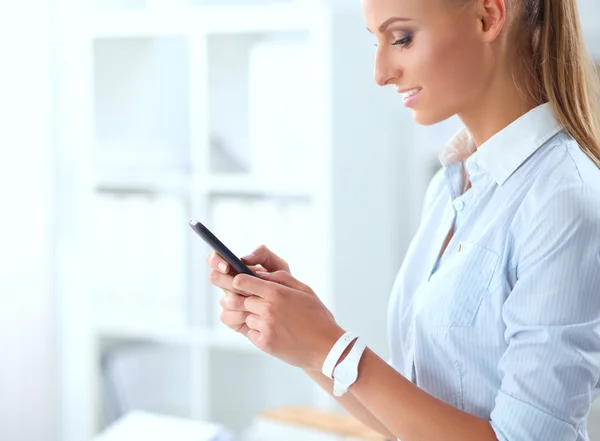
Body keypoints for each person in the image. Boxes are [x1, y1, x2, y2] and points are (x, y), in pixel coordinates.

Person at [207, 0, 600, 439]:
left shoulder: (565, 203)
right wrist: (305, 340)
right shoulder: (453, 184)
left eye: (401, 39)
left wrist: (329, 346)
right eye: (376, 42)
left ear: (488, 17)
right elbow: (409, 424)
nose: (380, 72)